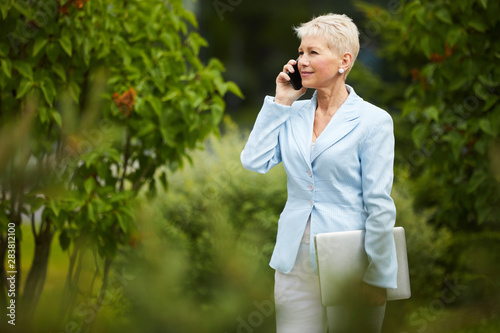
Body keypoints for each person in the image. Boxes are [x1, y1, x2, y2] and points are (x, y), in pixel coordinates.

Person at [240, 13, 398, 333]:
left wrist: (379, 274)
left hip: (351, 265)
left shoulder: (373, 122)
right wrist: (281, 100)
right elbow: (254, 160)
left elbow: (378, 204)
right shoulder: (291, 112)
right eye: (300, 52)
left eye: (313, 52)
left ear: (344, 60)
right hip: (293, 263)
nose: (302, 61)